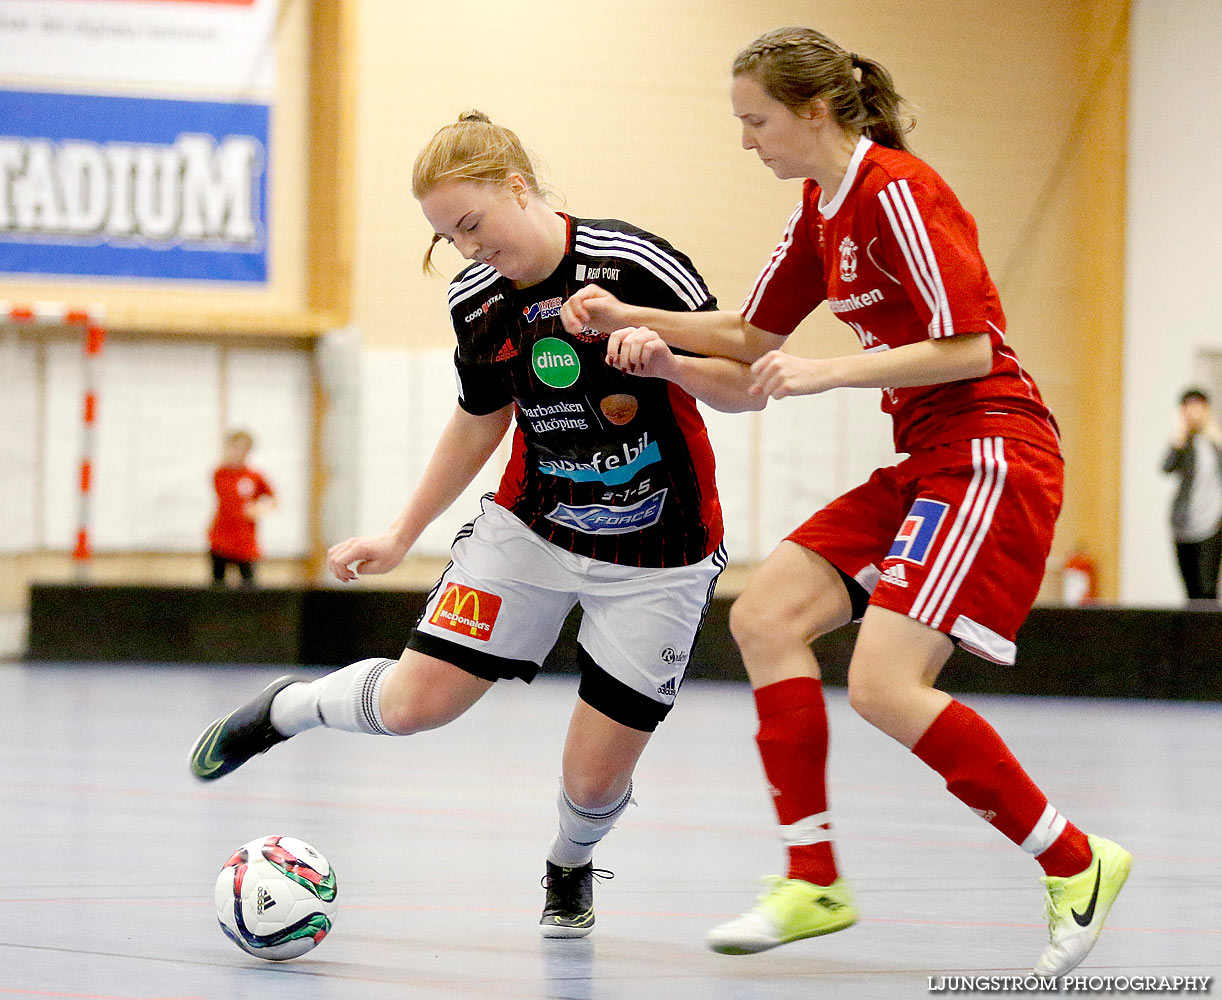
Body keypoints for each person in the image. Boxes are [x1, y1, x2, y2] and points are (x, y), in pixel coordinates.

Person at [562, 27, 1130, 976]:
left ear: (815, 112)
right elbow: (747, 338)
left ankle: (1077, 861)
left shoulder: (899, 190)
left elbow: (974, 349)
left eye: (757, 121)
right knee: (768, 615)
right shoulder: (819, 210)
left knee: (881, 685)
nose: (747, 140)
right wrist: (638, 324)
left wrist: (830, 371)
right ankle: (814, 878)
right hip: (923, 456)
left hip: (991, 450)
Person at [189, 111, 762, 937]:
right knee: (416, 704)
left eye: (471, 224)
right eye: (447, 237)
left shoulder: (633, 262)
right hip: (531, 533)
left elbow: (745, 382)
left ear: (517, 188)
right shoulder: (477, 301)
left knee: (595, 784)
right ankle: (288, 710)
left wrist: (670, 359)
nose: (466, 248)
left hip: (661, 553)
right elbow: (478, 419)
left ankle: (568, 862)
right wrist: (398, 532)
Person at [1162, 387, 1222, 601]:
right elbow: (1166, 467)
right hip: (1184, 523)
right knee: (1191, 591)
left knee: (1207, 589)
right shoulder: (1183, 442)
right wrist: (1178, 438)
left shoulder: (1215, 442)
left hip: (1212, 523)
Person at [208, 429, 276, 588]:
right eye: (234, 447)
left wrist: (258, 509)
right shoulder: (220, 474)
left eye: (242, 448)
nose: (237, 452)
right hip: (221, 539)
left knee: (249, 587)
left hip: (245, 542)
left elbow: (273, 499)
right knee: (217, 586)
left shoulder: (254, 476)